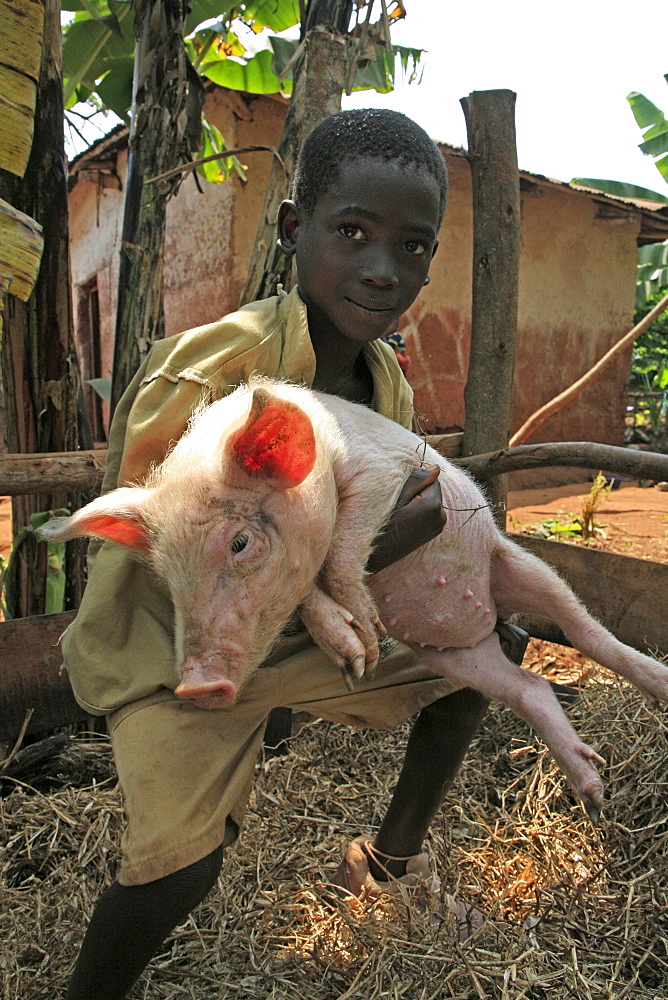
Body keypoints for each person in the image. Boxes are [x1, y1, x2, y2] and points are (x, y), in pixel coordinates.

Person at [61, 109, 526, 1000]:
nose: (382, 269)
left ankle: (388, 866)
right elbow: (160, 537)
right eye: (351, 232)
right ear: (292, 230)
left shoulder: (384, 382)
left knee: (493, 654)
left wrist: (412, 545)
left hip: (301, 637)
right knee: (177, 875)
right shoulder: (211, 372)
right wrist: (364, 545)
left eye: (414, 247)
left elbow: (380, 517)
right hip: (179, 653)